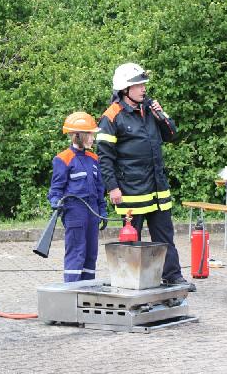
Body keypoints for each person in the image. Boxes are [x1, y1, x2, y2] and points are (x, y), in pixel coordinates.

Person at [96, 62, 195, 292]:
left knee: (165, 235)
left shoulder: (150, 109)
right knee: (131, 240)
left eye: (143, 84)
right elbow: (105, 157)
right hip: (130, 191)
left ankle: (172, 276)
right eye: (138, 85)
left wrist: (161, 116)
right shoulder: (111, 116)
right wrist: (112, 187)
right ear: (125, 89)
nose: (144, 89)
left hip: (157, 188)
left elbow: (171, 135)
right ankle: (130, 280)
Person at [48, 112, 107, 282]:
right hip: (75, 212)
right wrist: (55, 201)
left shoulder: (93, 158)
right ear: (77, 135)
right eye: (90, 134)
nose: (93, 138)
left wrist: (102, 210)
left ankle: (87, 289)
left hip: (92, 211)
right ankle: (71, 290)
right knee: (76, 252)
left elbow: (99, 188)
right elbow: (56, 189)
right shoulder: (63, 159)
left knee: (91, 253)